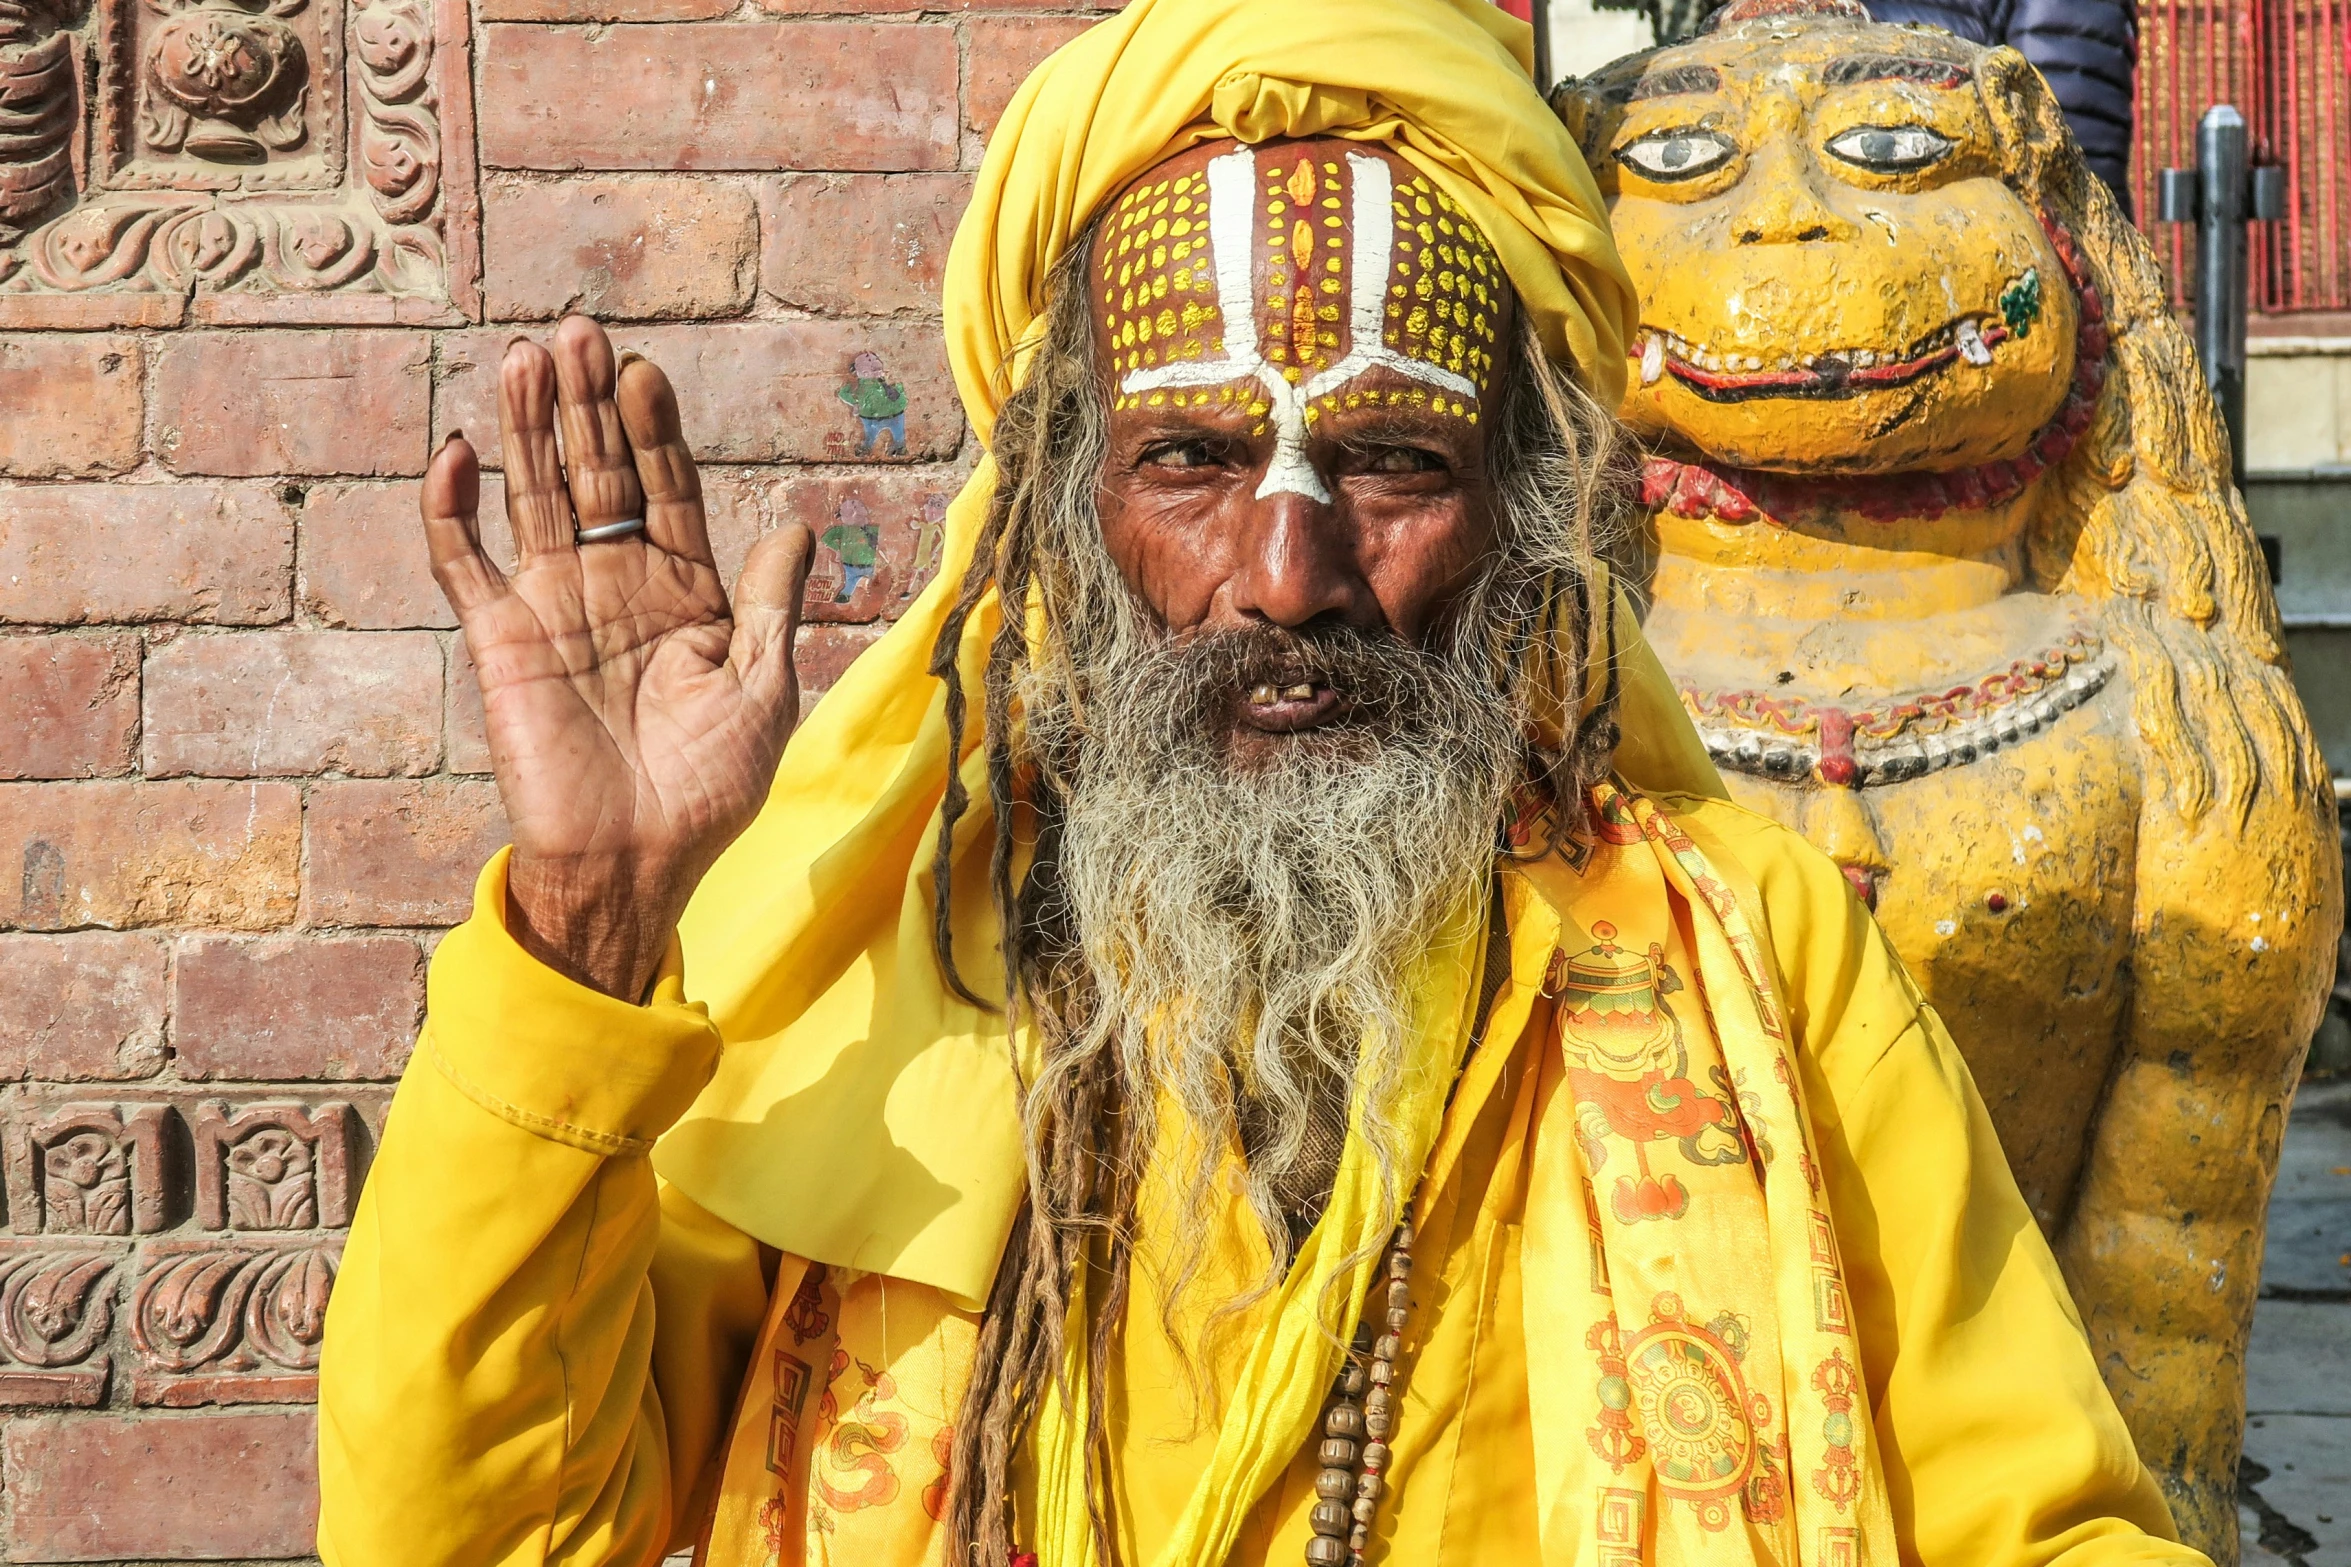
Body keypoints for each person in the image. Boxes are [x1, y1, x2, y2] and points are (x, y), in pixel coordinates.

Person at [315, 2, 2205, 1564]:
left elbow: (2031, 1523)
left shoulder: (1754, 957)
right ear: (1065, 511)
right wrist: (588, 914)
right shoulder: (853, 996)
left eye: (1386, 462)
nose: (1285, 580)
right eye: (1194, 462)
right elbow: (464, 1535)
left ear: (1522, 525)